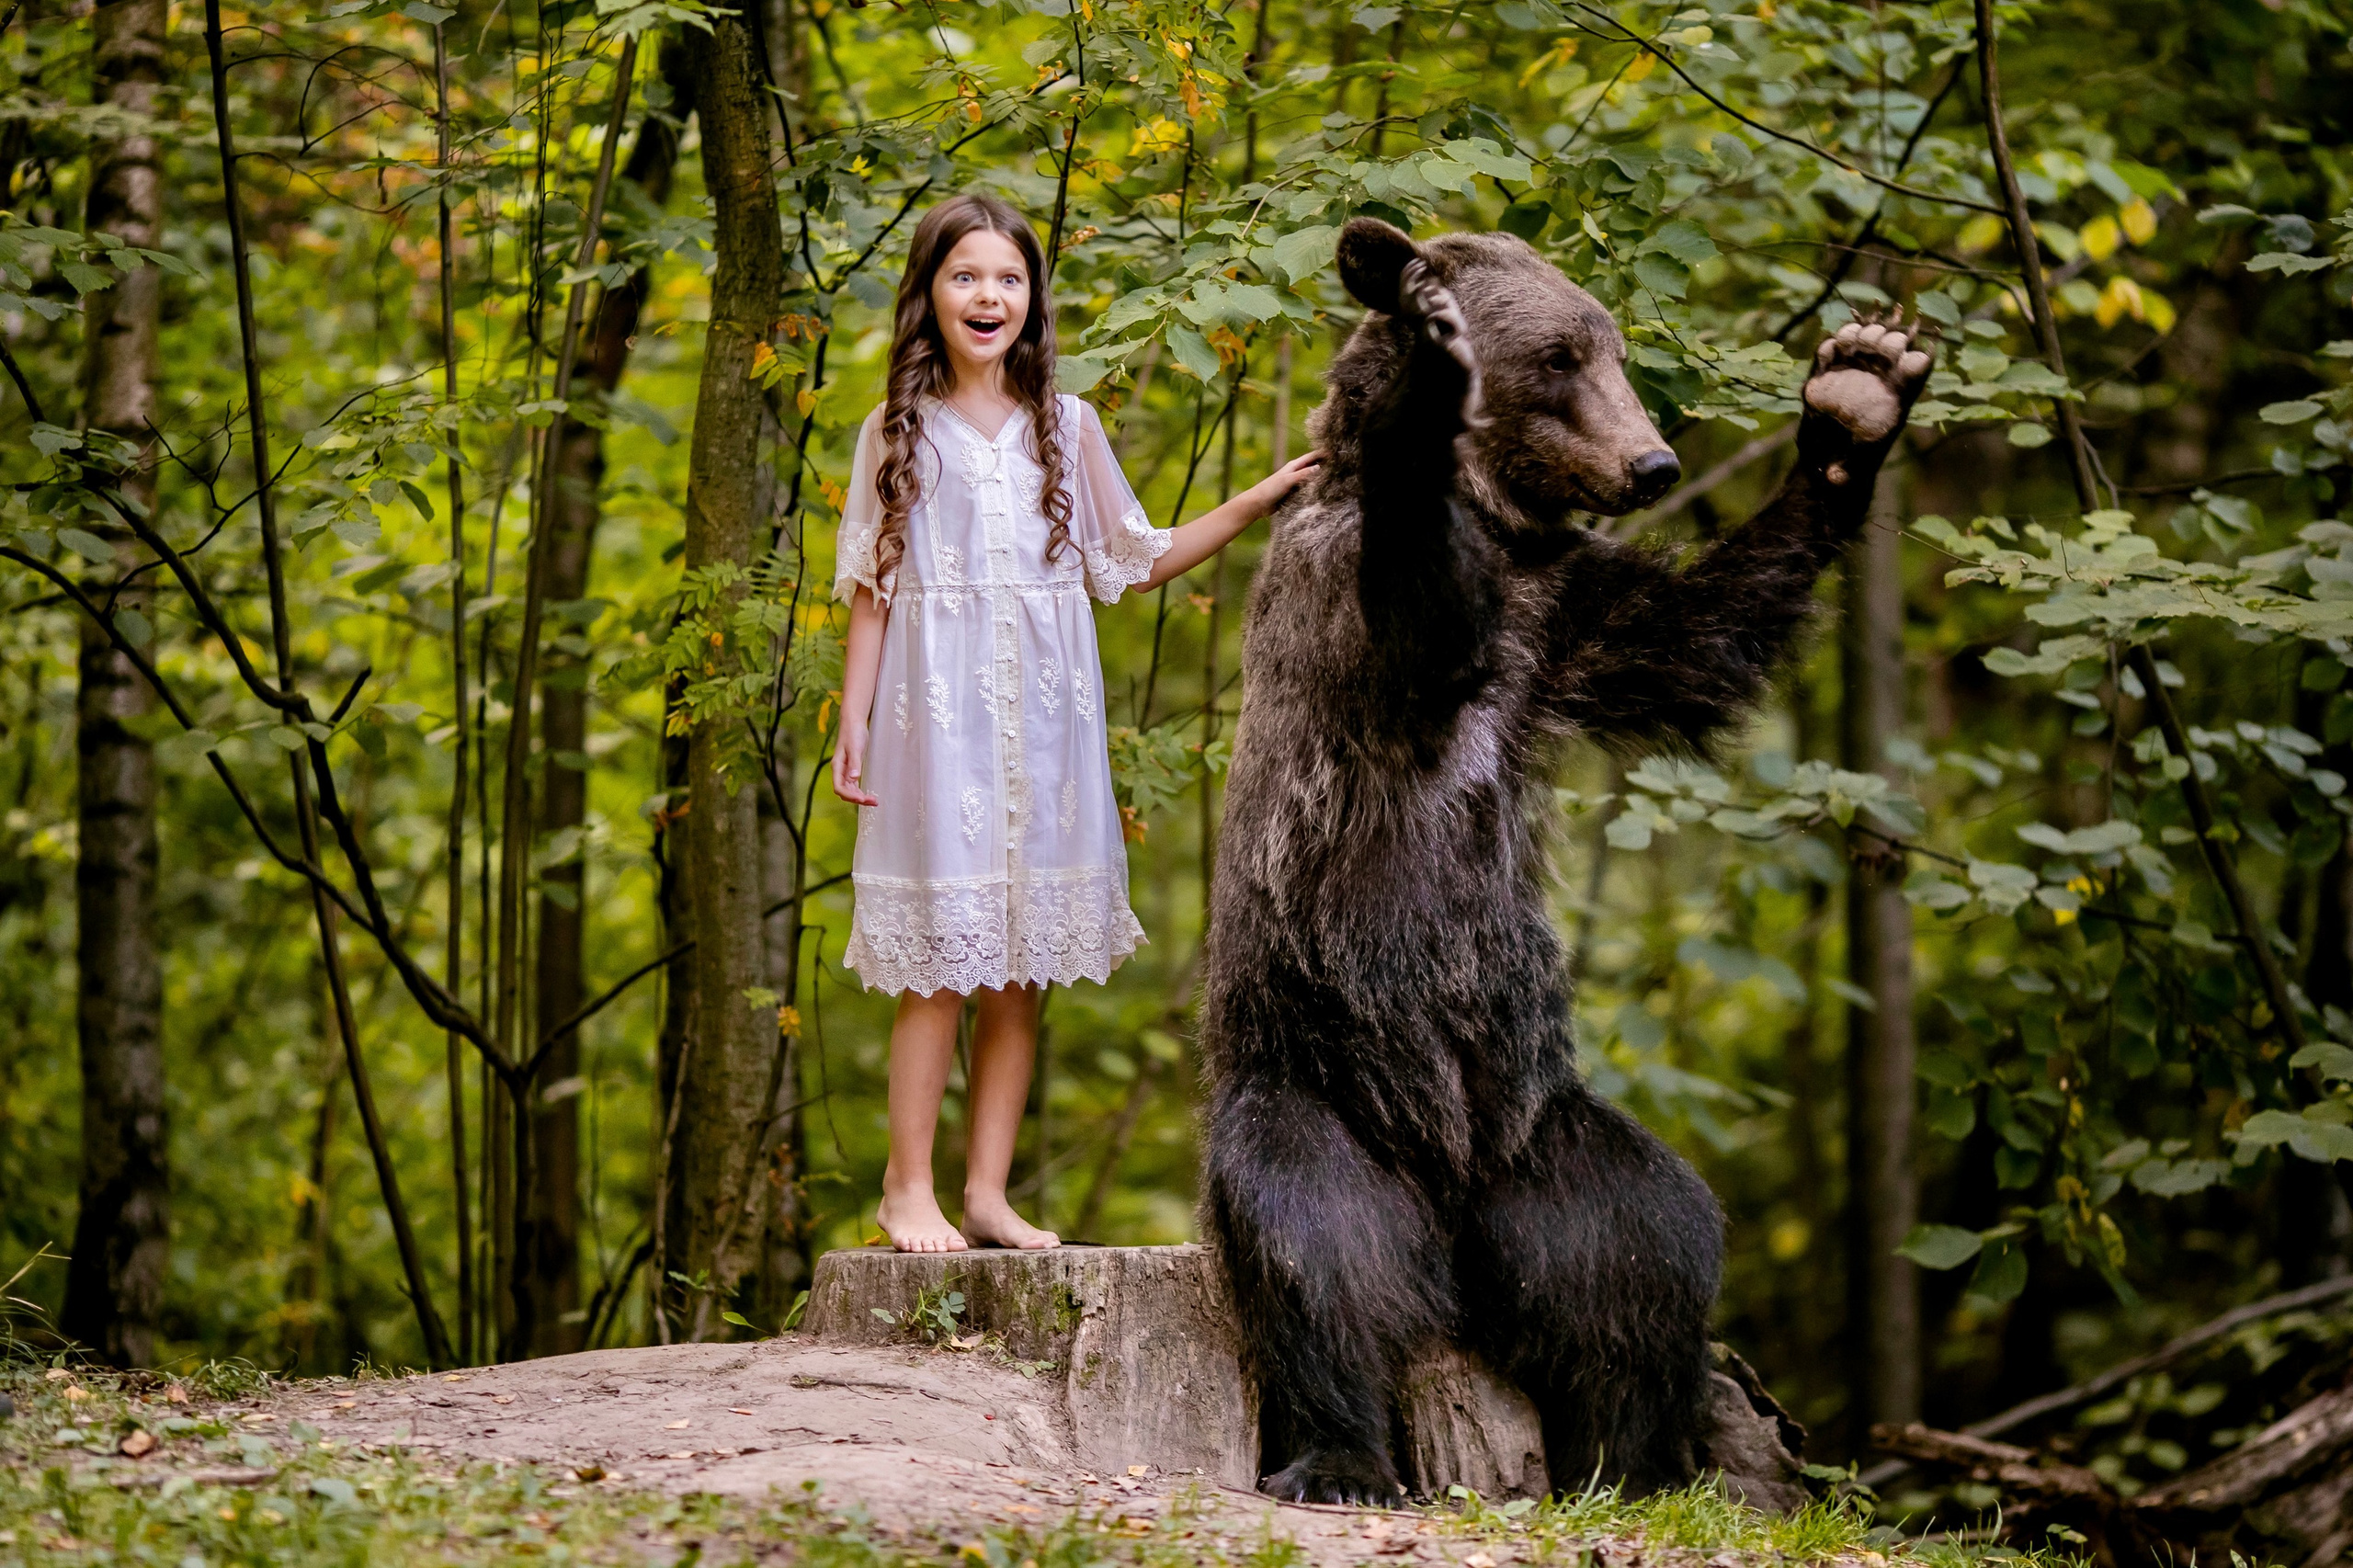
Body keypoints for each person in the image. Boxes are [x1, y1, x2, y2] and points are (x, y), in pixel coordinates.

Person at [830, 192, 1320, 1253]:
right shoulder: (895, 431)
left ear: (1032, 301)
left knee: (1017, 974)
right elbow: (870, 585)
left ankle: (987, 1192)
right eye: (966, 276)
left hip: (1046, 730)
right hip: (937, 721)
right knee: (940, 967)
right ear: (928, 295)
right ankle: (904, 1184)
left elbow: (1131, 559)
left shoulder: (1068, 426)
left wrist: (1253, 501)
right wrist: (854, 719)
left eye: (1008, 278)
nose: (988, 296)